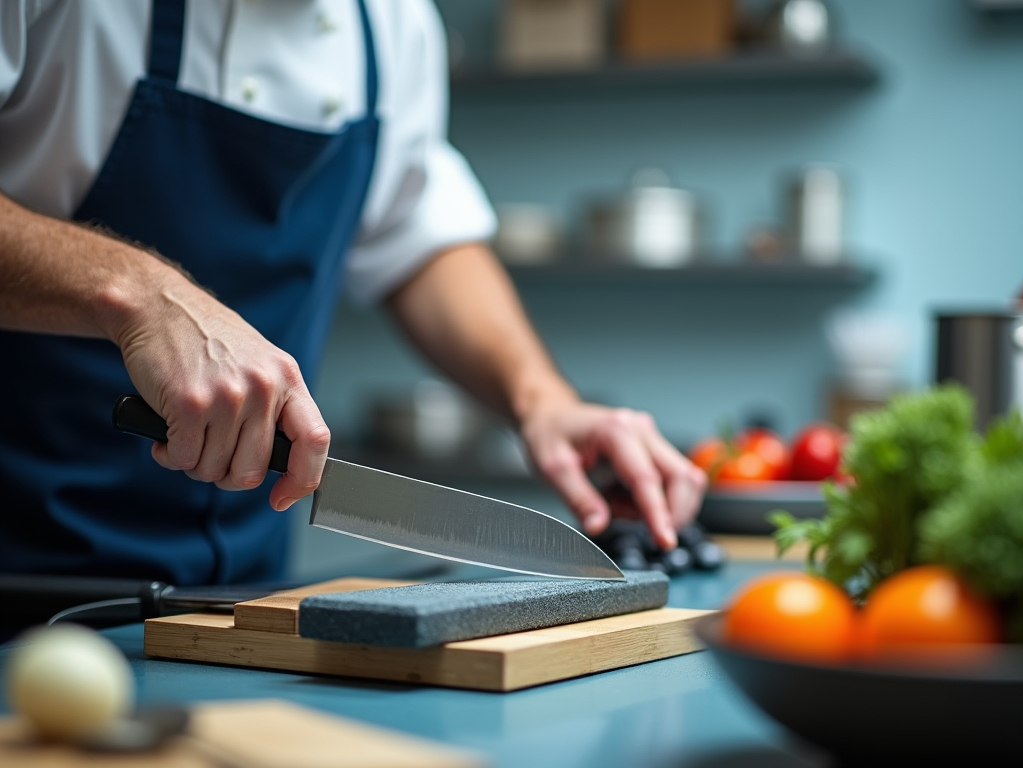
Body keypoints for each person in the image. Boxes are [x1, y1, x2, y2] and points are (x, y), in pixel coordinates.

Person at [0, 0, 705, 587]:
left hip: (239, 601)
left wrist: (541, 400)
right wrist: (141, 294)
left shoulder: (393, 22)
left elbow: (415, 238)